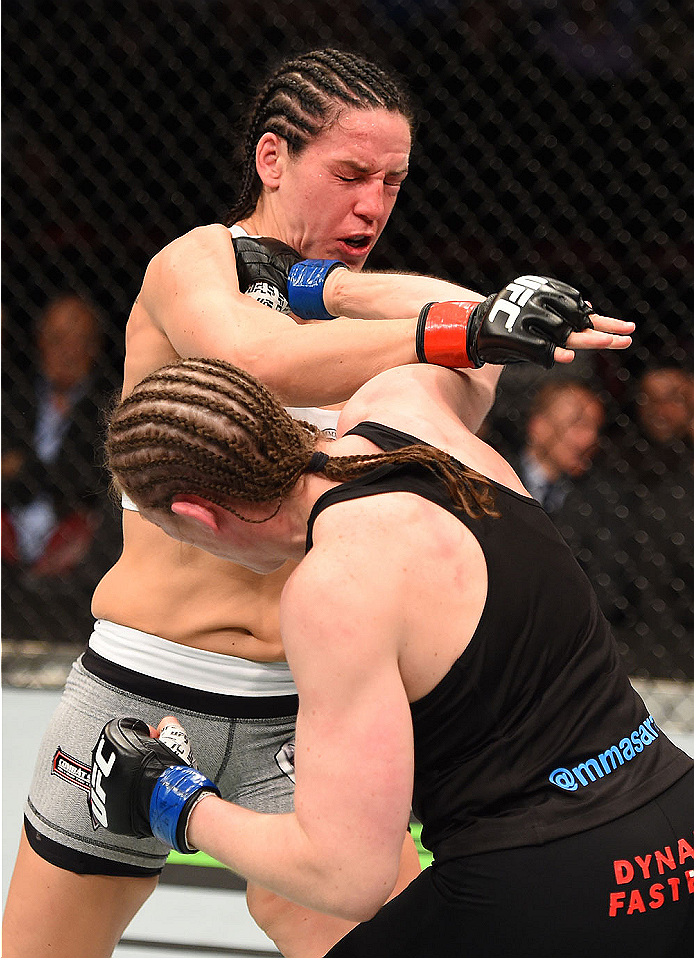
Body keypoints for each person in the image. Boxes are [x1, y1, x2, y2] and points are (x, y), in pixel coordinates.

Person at [1, 47, 634, 958]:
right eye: (348, 175)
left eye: (392, 180)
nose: (373, 204)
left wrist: (325, 286)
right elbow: (247, 356)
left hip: (303, 714)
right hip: (139, 692)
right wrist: (452, 320)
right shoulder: (194, 264)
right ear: (272, 160)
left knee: (379, 931)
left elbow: (481, 353)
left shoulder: (358, 311)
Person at [95, 356, 692, 957]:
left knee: (312, 889)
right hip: (677, 819)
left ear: (197, 516)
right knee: (281, 900)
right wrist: (330, 294)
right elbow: (475, 342)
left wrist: (168, 799)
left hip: (550, 884)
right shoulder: (409, 409)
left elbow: (348, 877)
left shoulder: (335, 587)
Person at [1, 293, 120, 642]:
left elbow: (94, 481)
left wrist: (22, 468)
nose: (66, 350)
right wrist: (59, 474)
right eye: (57, 339)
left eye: (78, 341)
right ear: (40, 342)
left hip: (78, 527)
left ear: (95, 348)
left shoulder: (108, 402)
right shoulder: (12, 395)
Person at [509, 378, 605, 512]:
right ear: (539, 425)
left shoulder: (598, 501)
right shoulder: (493, 477)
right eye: (579, 424)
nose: (591, 438)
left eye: (596, 429)